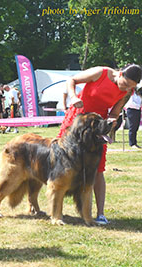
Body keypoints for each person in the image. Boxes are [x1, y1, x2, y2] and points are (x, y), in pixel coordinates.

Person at [58, 64, 142, 225]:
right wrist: (73, 97)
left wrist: (112, 120)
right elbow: (72, 79)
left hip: (98, 127)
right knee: (62, 161)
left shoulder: (127, 91)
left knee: (98, 167)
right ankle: (56, 209)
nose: (126, 88)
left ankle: (100, 213)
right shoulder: (101, 73)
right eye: (125, 84)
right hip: (77, 119)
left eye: (131, 87)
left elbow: (115, 111)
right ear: (120, 73)